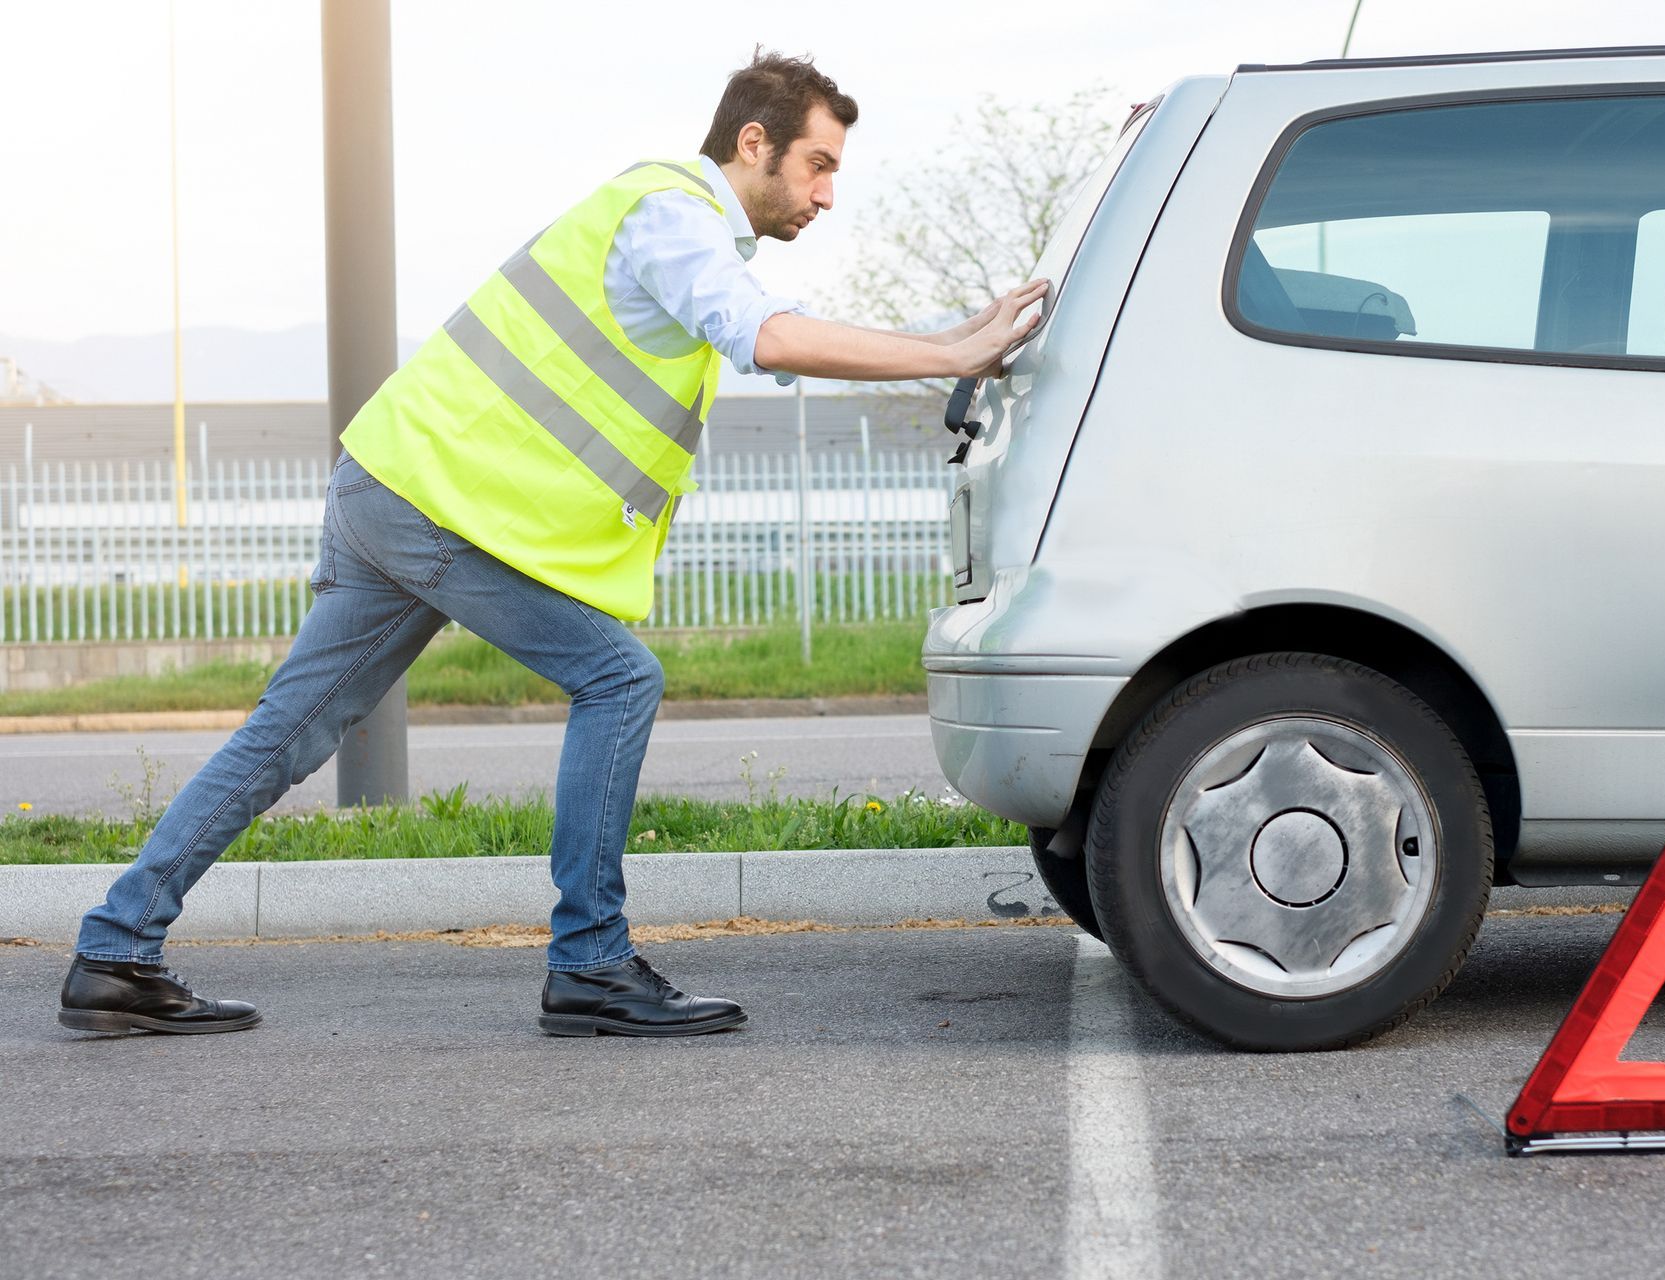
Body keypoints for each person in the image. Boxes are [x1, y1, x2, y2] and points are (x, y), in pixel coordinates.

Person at [57, 49, 1047, 1040]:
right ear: (756, 143)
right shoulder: (672, 218)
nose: (829, 193)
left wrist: (969, 335)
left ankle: (115, 948)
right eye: (819, 165)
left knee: (286, 731)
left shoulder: (675, 233)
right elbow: (770, 339)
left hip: (402, 488)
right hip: (434, 506)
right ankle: (591, 962)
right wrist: (954, 351)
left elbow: (797, 341)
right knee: (618, 680)